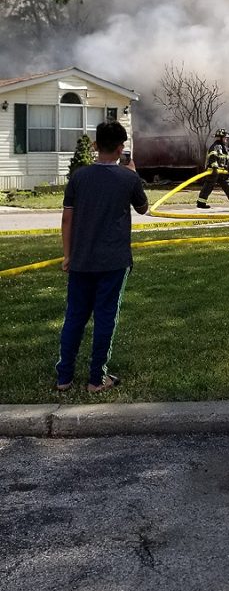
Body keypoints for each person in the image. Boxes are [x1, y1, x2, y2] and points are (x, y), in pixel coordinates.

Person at [55, 121, 149, 394]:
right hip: (113, 262)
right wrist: (134, 173)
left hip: (81, 260)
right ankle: (97, 379)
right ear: (121, 149)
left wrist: (67, 255)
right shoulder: (128, 178)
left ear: (95, 146)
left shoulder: (79, 178)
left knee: (74, 317)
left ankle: (64, 378)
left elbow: (66, 219)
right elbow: (143, 209)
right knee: (106, 317)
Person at [197, 129, 229, 209]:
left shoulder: (226, 149)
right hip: (213, 171)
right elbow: (212, 158)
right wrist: (215, 167)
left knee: (228, 185)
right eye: (225, 138)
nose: (226, 139)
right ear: (220, 138)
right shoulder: (215, 147)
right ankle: (201, 202)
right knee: (208, 186)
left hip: (223, 171)